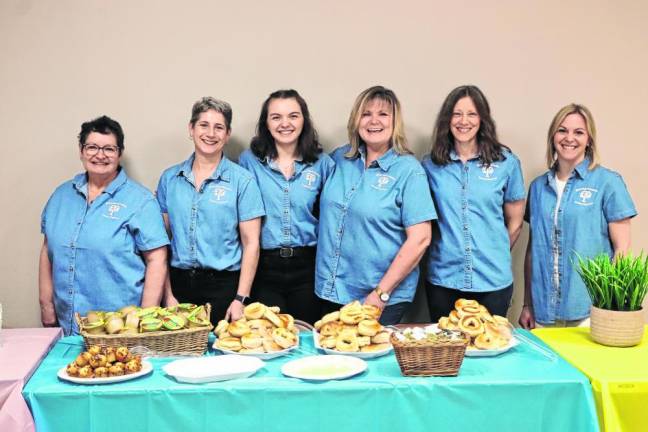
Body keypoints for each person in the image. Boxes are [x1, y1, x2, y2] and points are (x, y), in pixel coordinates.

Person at [315, 85, 436, 325]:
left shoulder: (409, 171)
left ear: (395, 122)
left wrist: (380, 294)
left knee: (371, 360)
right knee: (336, 361)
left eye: (383, 114)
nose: (374, 121)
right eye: (366, 114)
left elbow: (420, 239)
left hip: (379, 296)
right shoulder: (340, 159)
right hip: (332, 289)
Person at [39, 116, 169, 335]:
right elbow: (47, 249)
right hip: (67, 325)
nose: (100, 155)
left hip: (119, 331)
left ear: (120, 153)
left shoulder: (141, 201)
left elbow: (157, 259)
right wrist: (46, 304)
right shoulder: (60, 196)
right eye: (92, 147)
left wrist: (145, 320)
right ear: (81, 151)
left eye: (109, 148)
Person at [519, 104, 637, 329]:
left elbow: (622, 250)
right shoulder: (538, 188)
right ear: (553, 136)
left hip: (589, 311)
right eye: (562, 130)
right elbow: (533, 250)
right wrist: (528, 304)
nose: (569, 138)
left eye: (578, 132)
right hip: (544, 311)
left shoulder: (607, 183)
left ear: (589, 139)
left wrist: (610, 306)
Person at [422, 85, 526, 322]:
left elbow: (516, 222)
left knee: (488, 352)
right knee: (446, 354)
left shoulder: (506, 163)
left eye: (472, 114)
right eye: (457, 114)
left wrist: (494, 250)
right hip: (444, 279)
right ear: (447, 119)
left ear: (483, 119)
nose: (463, 121)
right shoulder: (430, 165)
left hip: (492, 280)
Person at [157, 97, 264, 324]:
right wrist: (167, 294)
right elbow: (160, 242)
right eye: (204, 125)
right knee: (179, 355)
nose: (210, 133)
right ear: (191, 129)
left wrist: (240, 299)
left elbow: (251, 243)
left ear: (227, 134)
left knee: (220, 356)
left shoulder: (242, 181)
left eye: (219, 127)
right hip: (179, 285)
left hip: (224, 287)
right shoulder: (169, 179)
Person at [239, 89, 334, 324]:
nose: (285, 124)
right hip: (264, 267)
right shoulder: (248, 161)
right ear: (266, 123)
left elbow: (334, 216)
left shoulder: (323, 164)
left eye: (293, 116)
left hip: (309, 267)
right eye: (276, 117)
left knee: (307, 338)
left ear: (304, 120)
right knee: (268, 339)